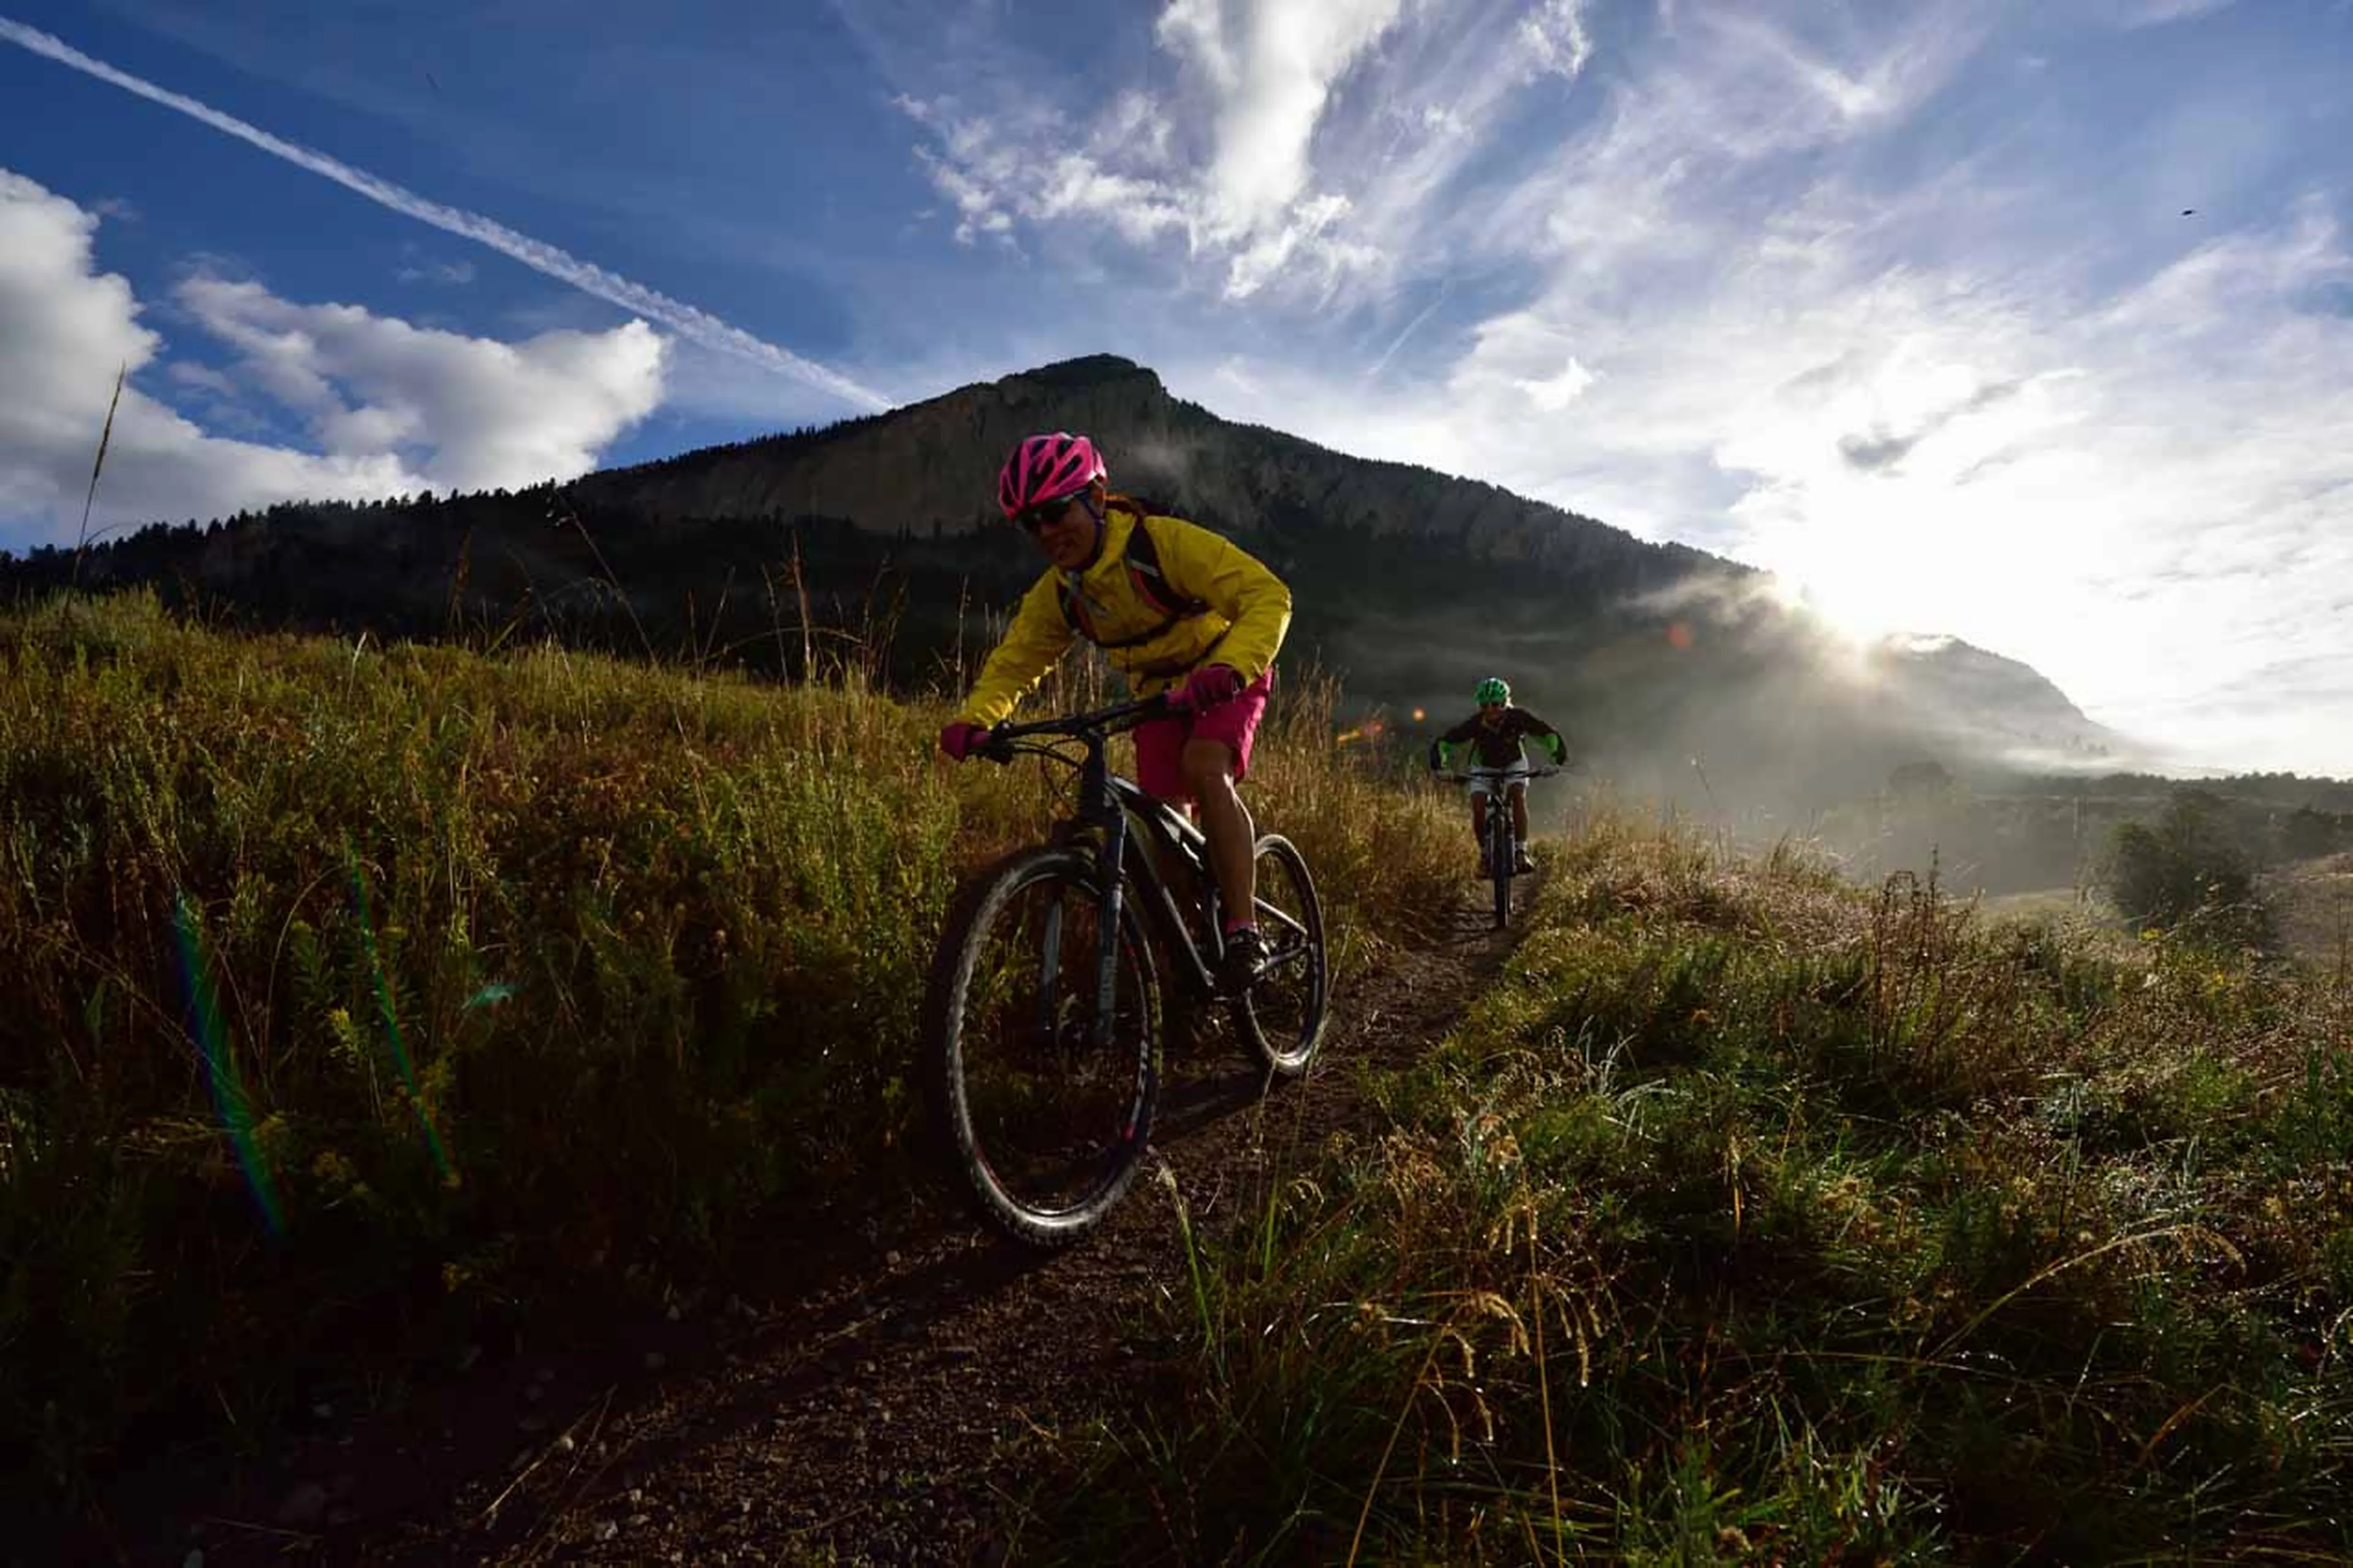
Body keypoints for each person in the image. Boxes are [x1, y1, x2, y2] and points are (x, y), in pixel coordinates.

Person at [939, 432, 1293, 985]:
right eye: (1032, 523)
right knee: (1164, 825)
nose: (1048, 532)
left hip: (1225, 672)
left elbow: (1267, 595)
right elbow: (1016, 661)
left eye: (1056, 511)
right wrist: (977, 718)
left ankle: (1244, 929)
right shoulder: (1060, 592)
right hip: (1156, 695)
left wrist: (1228, 670)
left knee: (1205, 767)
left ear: (1098, 495)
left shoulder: (1161, 544)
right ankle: (1196, 953)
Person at [1427, 677, 1567, 875]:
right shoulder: (1475, 724)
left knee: (1518, 795)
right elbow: (1445, 743)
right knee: (1478, 805)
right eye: (1485, 705)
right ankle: (1485, 856)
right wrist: (1440, 767)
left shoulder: (1518, 717)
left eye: (1497, 704)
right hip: (1482, 766)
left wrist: (1555, 761)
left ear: (1505, 702)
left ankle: (1521, 852)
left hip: (1514, 763)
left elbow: (1547, 735)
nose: (1491, 710)